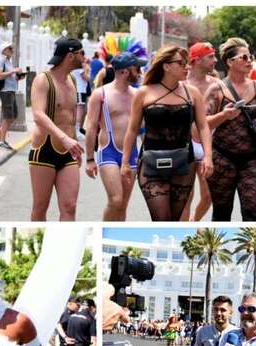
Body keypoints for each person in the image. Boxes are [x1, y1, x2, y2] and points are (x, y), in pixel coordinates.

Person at [121, 45, 213, 221]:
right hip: (151, 163)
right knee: (161, 219)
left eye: (187, 63)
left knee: (174, 220)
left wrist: (208, 157)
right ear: (166, 66)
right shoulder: (144, 92)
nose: (187, 67)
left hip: (184, 163)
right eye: (181, 63)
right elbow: (132, 130)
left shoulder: (192, 93)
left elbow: (203, 127)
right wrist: (125, 163)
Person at [204, 38, 256, 221]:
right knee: (222, 213)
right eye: (244, 57)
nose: (249, 60)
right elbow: (202, 124)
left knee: (252, 213)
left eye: (250, 57)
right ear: (229, 62)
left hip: (253, 158)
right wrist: (223, 115)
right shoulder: (216, 89)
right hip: (223, 158)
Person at [29, 37, 85, 221]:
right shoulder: (43, 80)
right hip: (45, 149)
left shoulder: (72, 81)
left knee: (70, 207)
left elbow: (70, 118)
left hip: (68, 151)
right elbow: (38, 114)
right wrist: (64, 139)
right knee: (40, 207)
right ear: (70, 56)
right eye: (81, 53)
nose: (84, 57)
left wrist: (73, 144)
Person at [84, 52, 145, 221]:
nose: (139, 72)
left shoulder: (137, 94)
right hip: (108, 151)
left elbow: (142, 128)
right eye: (137, 69)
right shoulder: (100, 94)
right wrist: (89, 159)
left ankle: (119, 229)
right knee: (116, 200)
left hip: (131, 153)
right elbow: (91, 128)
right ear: (125, 71)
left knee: (123, 204)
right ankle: (103, 229)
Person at [182, 42, 217, 222]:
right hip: (185, 146)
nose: (215, 60)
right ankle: (184, 230)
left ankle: (193, 221)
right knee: (185, 198)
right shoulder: (181, 85)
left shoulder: (217, 85)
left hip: (208, 145)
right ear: (196, 60)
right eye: (210, 57)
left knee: (209, 195)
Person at [0, 42, 25, 150]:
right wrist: (13, 71)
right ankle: (1, 141)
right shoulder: (1, 61)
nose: (12, 50)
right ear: (4, 50)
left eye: (12, 48)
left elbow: (10, 77)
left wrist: (18, 77)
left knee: (13, 116)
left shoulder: (8, 62)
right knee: (7, 117)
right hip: (6, 92)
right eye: (10, 48)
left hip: (11, 91)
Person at [72, 60, 90, 138]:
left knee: (81, 110)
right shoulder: (79, 67)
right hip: (79, 90)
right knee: (79, 110)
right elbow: (86, 77)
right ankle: (77, 131)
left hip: (81, 90)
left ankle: (77, 130)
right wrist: (87, 70)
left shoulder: (77, 66)